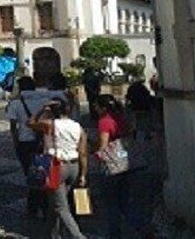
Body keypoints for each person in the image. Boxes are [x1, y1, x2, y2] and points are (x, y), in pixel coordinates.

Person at [28, 97, 88, 239]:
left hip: (56, 166)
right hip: (74, 166)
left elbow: (30, 123)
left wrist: (42, 109)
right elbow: (83, 152)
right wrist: (83, 174)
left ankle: (78, 236)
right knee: (55, 204)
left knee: (60, 207)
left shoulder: (49, 124)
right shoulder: (78, 127)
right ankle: (50, 234)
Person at [96, 94, 153, 238]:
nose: (94, 108)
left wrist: (95, 152)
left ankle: (114, 234)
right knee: (125, 201)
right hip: (126, 163)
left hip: (112, 166)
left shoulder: (104, 121)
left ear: (103, 108)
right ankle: (141, 228)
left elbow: (103, 145)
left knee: (112, 203)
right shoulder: (121, 118)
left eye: (96, 105)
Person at [5, 76, 45, 217]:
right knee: (41, 171)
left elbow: (13, 125)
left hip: (24, 140)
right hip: (41, 140)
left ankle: (34, 205)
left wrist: (15, 141)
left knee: (30, 173)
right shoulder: (41, 100)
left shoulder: (16, 103)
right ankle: (41, 203)